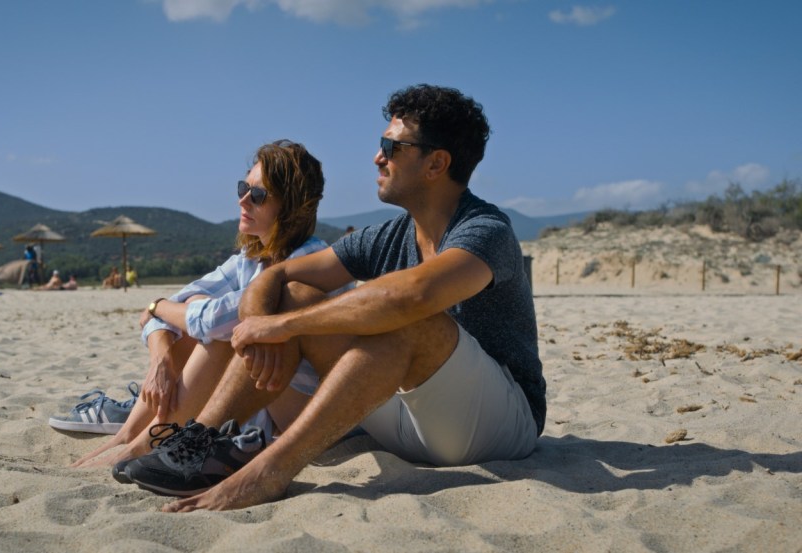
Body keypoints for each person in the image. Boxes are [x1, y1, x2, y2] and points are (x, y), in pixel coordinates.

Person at [121, 84, 546, 512]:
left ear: (437, 162)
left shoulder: (486, 229)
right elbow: (278, 274)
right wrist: (267, 324)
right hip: (401, 417)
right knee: (296, 293)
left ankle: (267, 473)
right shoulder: (391, 234)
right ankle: (201, 441)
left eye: (390, 146)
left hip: (493, 426)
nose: (377, 157)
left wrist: (286, 326)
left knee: (412, 322)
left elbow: (414, 296)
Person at [55, 139, 340, 473]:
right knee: (196, 311)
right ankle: (129, 437)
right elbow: (153, 315)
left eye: (258, 195)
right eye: (242, 188)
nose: (243, 200)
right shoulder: (251, 259)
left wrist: (161, 306)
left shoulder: (309, 262)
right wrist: (160, 358)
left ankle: (146, 442)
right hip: (268, 403)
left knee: (219, 327)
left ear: (291, 207)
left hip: (313, 412)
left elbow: (210, 321)